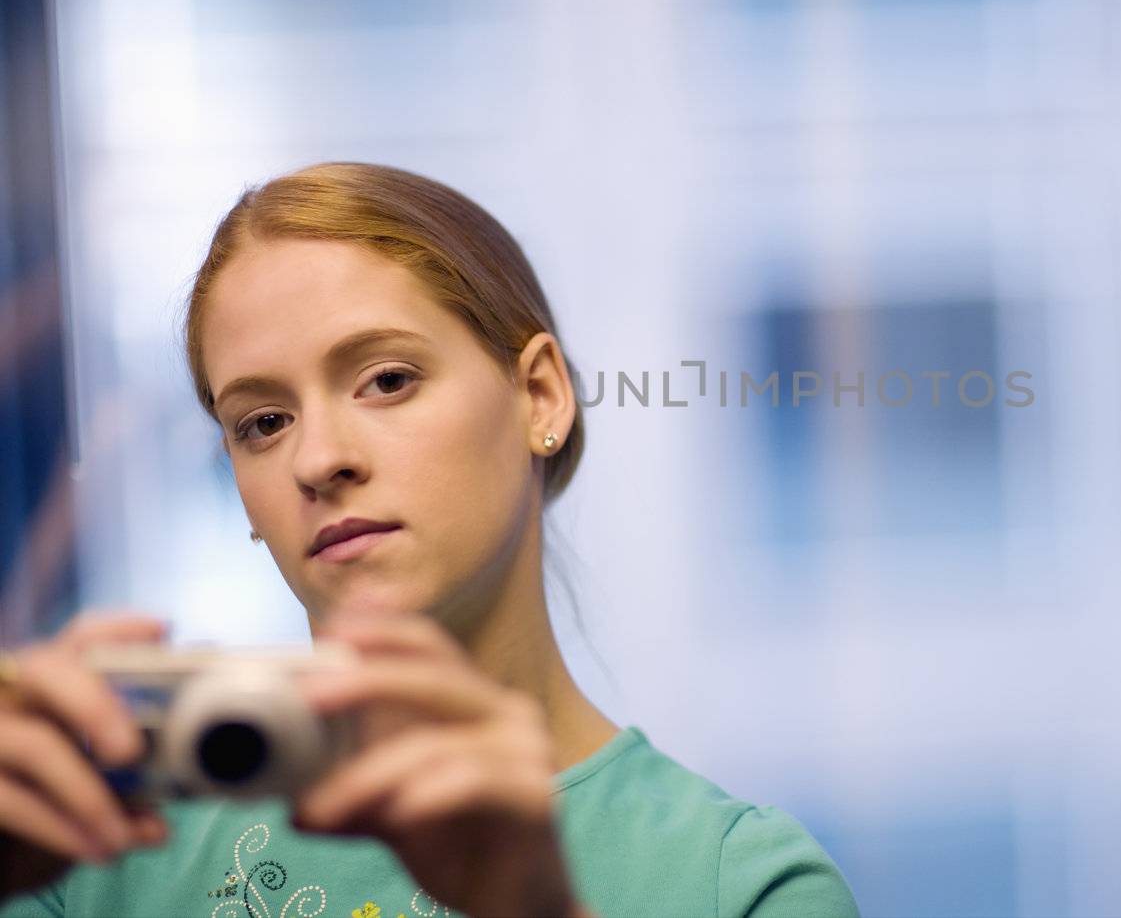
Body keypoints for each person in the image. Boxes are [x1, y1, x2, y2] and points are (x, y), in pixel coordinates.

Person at [0, 162, 860, 918]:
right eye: (262, 422)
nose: (319, 459)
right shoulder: (86, 830)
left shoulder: (739, 883)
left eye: (386, 379)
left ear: (541, 396)